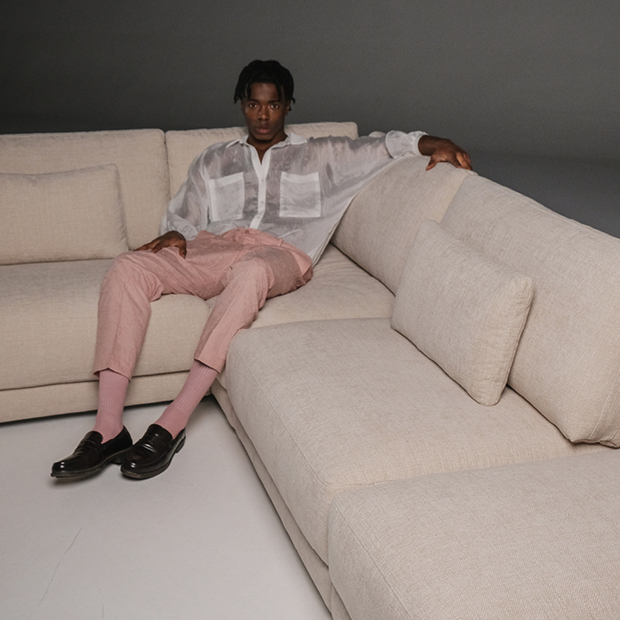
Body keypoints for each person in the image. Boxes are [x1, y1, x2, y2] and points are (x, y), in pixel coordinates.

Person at [52, 59, 472, 481]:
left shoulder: (320, 154)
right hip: (212, 248)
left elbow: (383, 147)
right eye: (253, 105)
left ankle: (172, 421)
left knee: (251, 271)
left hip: (278, 253)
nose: (263, 115)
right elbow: (185, 212)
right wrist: (178, 232)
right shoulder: (214, 159)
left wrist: (436, 142)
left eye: (273, 105)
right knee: (127, 266)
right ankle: (108, 428)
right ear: (242, 105)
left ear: (289, 106)